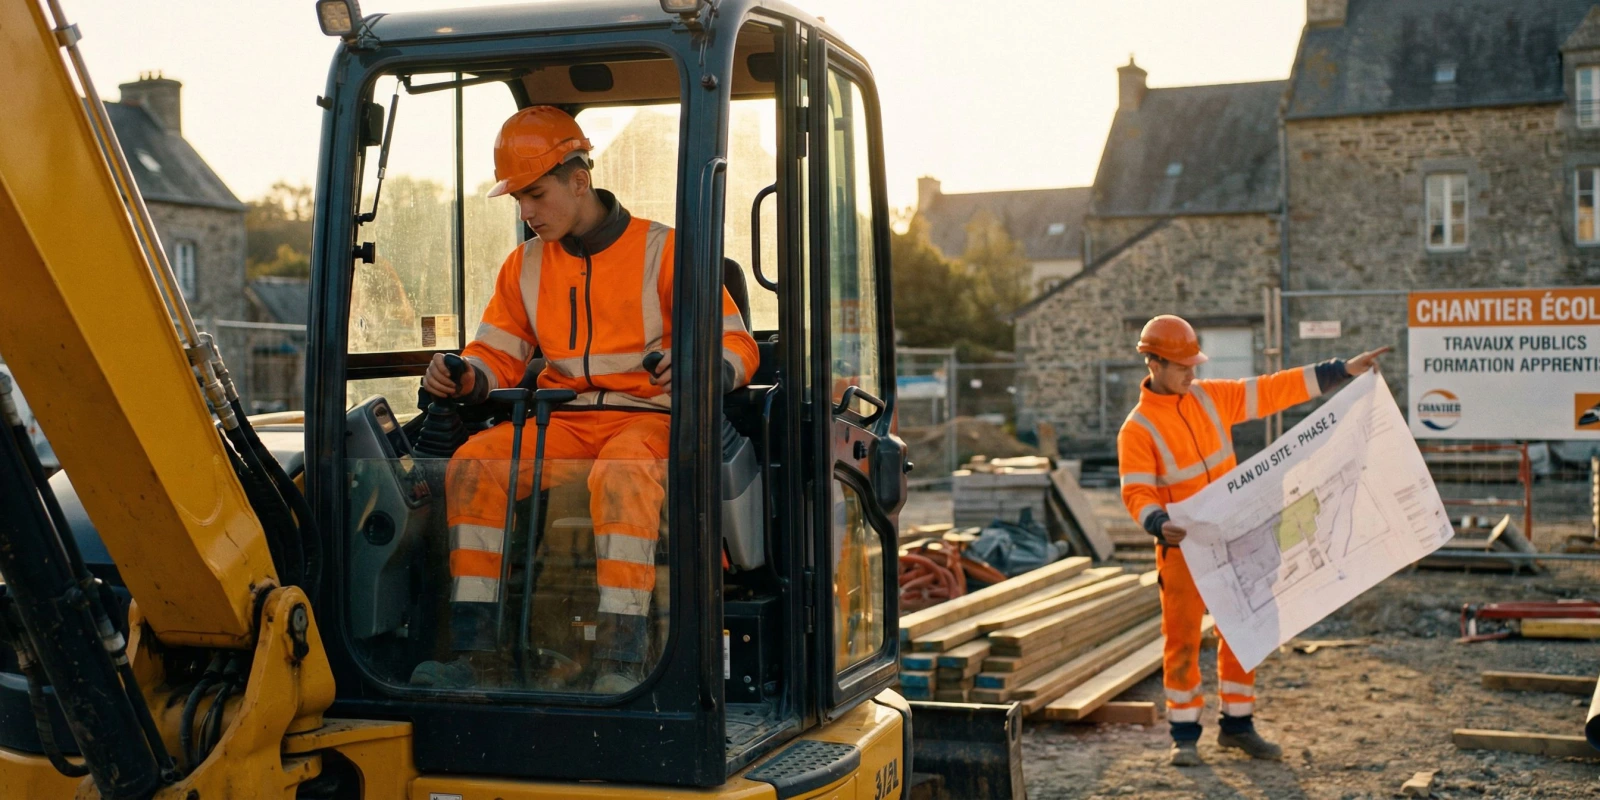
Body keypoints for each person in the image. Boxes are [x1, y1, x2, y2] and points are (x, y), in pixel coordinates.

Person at [414, 106, 758, 693]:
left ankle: (624, 659)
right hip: (564, 422)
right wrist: (464, 375)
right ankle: (476, 655)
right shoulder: (523, 266)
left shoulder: (667, 251)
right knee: (474, 465)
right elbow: (496, 354)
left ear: (579, 182)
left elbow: (737, 345)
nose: (526, 212)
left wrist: (701, 367)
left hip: (649, 421)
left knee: (621, 470)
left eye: (536, 194)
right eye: (518, 198)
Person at [1117, 314, 1388, 766]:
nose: (1191, 373)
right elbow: (1136, 491)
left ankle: (1238, 726)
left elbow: (1273, 389)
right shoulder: (1138, 428)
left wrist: (1340, 370)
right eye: (1182, 366)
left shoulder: (1210, 398)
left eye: (1193, 364)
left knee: (1244, 629)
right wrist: (1157, 522)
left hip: (1232, 540)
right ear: (1154, 363)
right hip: (1181, 550)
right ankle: (1184, 736)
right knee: (1181, 640)